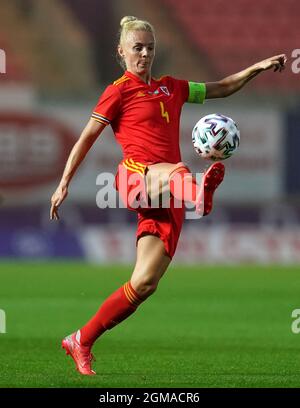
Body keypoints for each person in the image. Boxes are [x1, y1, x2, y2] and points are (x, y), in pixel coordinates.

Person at [50, 16, 286, 375]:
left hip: (167, 195)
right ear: (121, 51)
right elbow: (85, 138)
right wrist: (64, 182)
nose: (144, 54)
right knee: (178, 172)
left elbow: (220, 88)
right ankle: (199, 195)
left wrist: (258, 66)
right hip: (135, 180)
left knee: (144, 284)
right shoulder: (117, 91)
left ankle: (81, 340)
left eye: (149, 48)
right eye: (137, 48)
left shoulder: (172, 87)